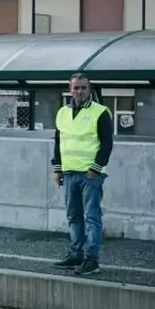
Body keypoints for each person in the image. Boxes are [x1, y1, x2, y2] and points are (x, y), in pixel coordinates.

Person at [51, 73, 113, 276]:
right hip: (69, 173)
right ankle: (76, 254)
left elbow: (106, 143)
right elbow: (58, 143)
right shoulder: (62, 112)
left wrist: (95, 168)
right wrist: (58, 169)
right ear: (70, 89)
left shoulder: (101, 112)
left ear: (90, 89)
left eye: (83, 88)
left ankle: (92, 259)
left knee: (92, 217)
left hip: (90, 175)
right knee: (73, 216)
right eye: (75, 88)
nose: (79, 91)